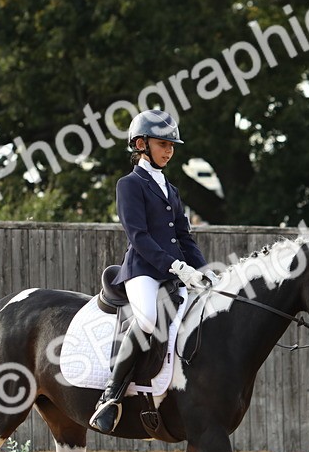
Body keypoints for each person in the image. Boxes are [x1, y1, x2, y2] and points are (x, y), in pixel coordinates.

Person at [88, 109, 217, 434]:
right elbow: (138, 236)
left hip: (176, 274)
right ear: (141, 144)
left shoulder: (171, 189)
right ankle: (110, 397)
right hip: (143, 272)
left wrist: (204, 271)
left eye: (172, 145)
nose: (169, 150)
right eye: (163, 143)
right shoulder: (129, 185)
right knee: (147, 317)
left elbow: (184, 238)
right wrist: (175, 266)